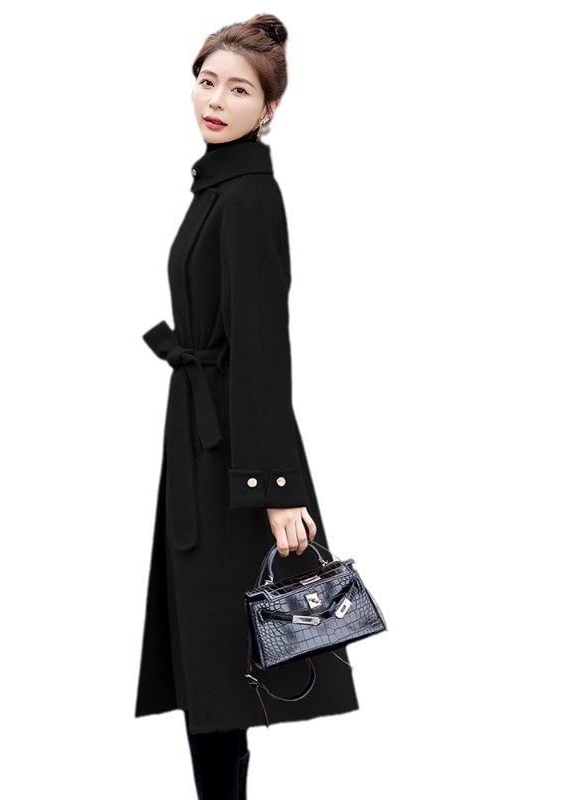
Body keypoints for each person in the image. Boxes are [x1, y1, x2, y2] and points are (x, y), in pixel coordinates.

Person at [135, 14, 359, 798]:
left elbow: (263, 346)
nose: (216, 101)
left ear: (269, 108)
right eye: (207, 82)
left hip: (233, 459)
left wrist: (275, 487)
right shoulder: (218, 187)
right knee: (210, 671)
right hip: (202, 447)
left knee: (225, 669)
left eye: (239, 90)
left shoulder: (250, 197)